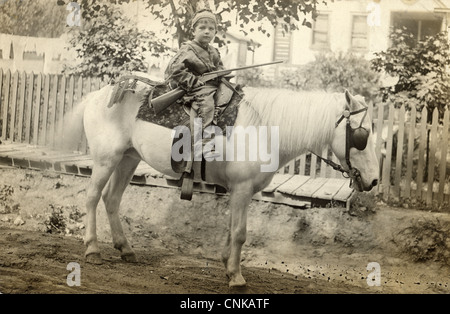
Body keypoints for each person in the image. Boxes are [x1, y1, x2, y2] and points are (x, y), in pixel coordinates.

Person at [164, 9, 224, 158]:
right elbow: (174, 70)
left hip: (210, 85)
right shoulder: (187, 49)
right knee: (207, 103)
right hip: (192, 88)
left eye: (211, 29)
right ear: (193, 31)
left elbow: (220, 68)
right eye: (202, 28)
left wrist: (222, 74)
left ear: (215, 32)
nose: (207, 32)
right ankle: (206, 141)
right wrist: (193, 81)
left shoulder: (214, 52)